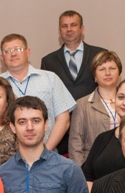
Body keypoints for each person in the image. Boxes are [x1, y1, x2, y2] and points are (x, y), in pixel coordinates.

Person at [41, 11, 108, 155]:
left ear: (82, 29)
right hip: (63, 132)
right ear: (59, 31)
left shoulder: (100, 54)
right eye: (64, 26)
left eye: (73, 25)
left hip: (95, 126)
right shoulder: (48, 61)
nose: (69, 29)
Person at [0, 33, 75, 151]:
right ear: (2, 58)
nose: (13, 54)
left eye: (18, 49)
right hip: (7, 156)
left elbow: (63, 120)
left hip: (48, 152)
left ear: (28, 52)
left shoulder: (50, 78)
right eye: (8, 51)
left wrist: (45, 152)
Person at [68, 51, 123, 166]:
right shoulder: (82, 104)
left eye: (112, 68)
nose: (107, 73)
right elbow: (75, 143)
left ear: (119, 73)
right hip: (95, 165)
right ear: (95, 76)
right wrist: (81, 171)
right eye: (102, 69)